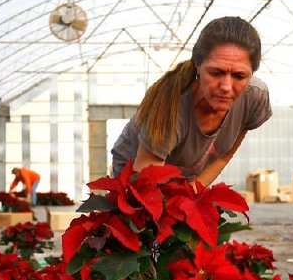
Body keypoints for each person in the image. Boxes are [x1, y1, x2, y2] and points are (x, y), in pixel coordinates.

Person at [111, 16, 272, 186]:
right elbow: (146, 185)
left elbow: (224, 155)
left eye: (239, 76)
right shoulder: (172, 107)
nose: (226, 86)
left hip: (183, 174)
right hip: (136, 173)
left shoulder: (254, 97)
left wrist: (193, 194)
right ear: (197, 64)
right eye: (215, 73)